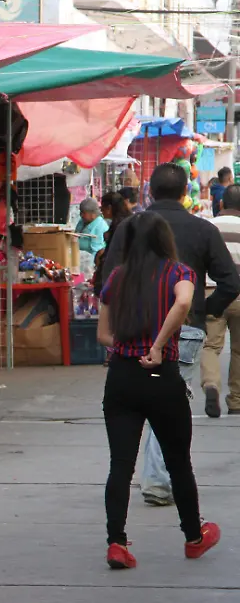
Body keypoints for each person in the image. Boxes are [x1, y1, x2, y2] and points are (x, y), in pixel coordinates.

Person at [101, 163, 240, 506]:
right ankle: (160, 481)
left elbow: (109, 276)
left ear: (149, 191)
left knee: (141, 403)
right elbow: (230, 281)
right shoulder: (201, 229)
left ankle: (151, 480)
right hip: (185, 329)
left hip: (132, 332)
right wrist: (205, 309)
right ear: (183, 194)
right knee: (170, 401)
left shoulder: (129, 228)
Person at [96, 212, 221, 569]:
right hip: (160, 377)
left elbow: (103, 335)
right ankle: (194, 537)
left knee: (120, 464)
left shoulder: (118, 277)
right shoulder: (179, 273)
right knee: (178, 461)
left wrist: (128, 346)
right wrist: (158, 345)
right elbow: (183, 302)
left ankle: (116, 543)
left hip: (121, 376)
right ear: (166, 240)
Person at [201, 183, 240, 417]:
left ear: (221, 203)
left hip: (213, 292)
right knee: (239, 350)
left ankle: (211, 385)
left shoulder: (208, 227)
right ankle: (236, 400)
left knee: (211, 346)